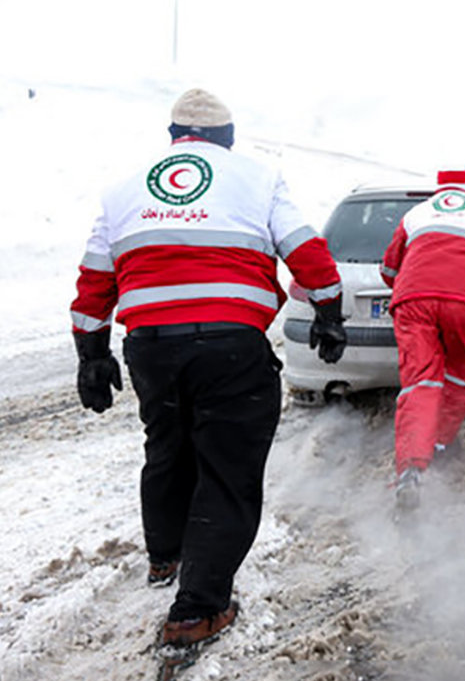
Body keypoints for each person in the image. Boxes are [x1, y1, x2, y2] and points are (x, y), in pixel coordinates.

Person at [69, 88, 346, 650]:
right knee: (227, 469)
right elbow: (306, 251)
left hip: (150, 344)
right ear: (227, 138)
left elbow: (95, 279)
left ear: (174, 138)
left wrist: (92, 355)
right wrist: (329, 310)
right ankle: (197, 610)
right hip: (230, 345)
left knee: (167, 446)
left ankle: (165, 556)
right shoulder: (256, 178)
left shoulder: (125, 189)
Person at [379, 169, 465, 509]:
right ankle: (440, 443)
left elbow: (389, 270)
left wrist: (416, 282)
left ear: (438, 190)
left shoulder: (416, 213)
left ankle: (410, 469)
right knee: (461, 373)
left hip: (413, 299)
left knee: (420, 380)